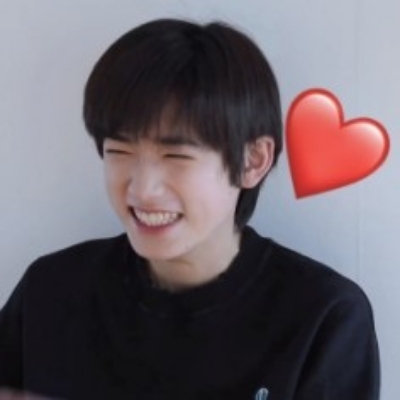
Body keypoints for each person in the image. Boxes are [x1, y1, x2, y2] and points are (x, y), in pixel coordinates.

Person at [0, 18, 379, 400]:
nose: (142, 189)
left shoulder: (323, 317)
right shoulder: (51, 290)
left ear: (252, 161)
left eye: (176, 156)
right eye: (119, 151)